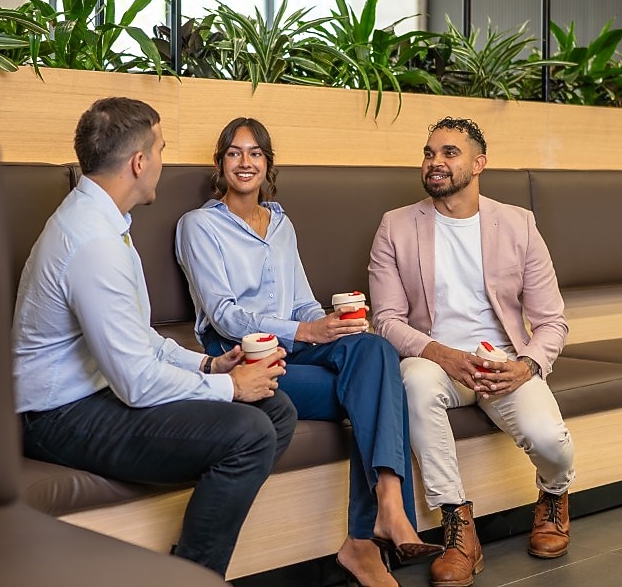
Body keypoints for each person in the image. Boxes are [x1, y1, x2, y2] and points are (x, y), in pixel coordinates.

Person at [13, 98, 297, 578]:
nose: (163, 162)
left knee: (275, 410)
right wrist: (231, 388)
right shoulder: (93, 242)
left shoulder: (107, 223)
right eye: (161, 150)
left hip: (100, 393)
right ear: (139, 162)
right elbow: (137, 384)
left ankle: (185, 552)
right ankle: (191, 574)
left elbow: (138, 337)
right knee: (247, 432)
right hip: (57, 414)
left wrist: (208, 367)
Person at [175, 117, 444, 587]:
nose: (245, 161)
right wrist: (306, 329)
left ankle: (386, 511)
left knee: (375, 350)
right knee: (378, 390)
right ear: (220, 163)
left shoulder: (280, 222)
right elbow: (224, 315)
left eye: (255, 152)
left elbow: (302, 301)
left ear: (267, 164)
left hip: (299, 344)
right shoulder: (198, 226)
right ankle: (367, 540)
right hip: (247, 357)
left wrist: (332, 325)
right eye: (235, 152)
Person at [367, 116, 575, 587]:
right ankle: (458, 526)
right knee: (414, 381)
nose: (435, 162)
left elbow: (551, 321)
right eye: (429, 153)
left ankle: (553, 494)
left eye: (449, 153)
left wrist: (524, 367)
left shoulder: (518, 224)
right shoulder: (396, 226)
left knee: (552, 443)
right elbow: (387, 321)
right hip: (437, 361)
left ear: (479, 163)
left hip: (503, 361)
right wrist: (443, 356)